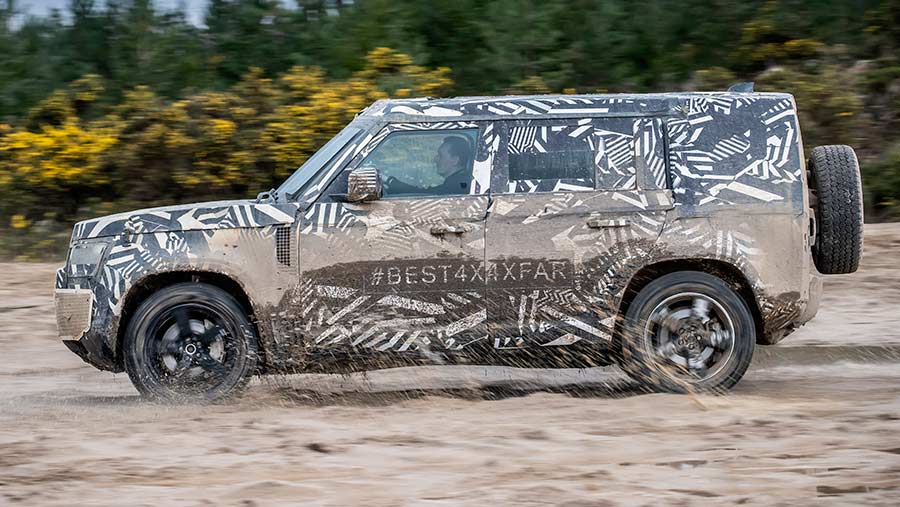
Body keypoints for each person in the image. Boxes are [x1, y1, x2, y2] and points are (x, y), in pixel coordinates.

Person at [384, 136, 473, 196]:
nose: (435, 159)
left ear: (455, 160)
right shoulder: (460, 181)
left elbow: (423, 195)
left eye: (440, 155)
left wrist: (390, 181)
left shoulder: (458, 186)